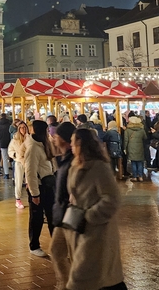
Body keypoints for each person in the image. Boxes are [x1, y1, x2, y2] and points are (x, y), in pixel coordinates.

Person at [65, 128, 127, 290]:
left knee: (84, 277)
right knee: (102, 278)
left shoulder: (99, 167)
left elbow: (112, 198)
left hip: (97, 232)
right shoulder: (75, 165)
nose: (71, 145)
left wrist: (90, 216)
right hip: (80, 228)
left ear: (81, 144)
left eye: (73, 142)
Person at [49, 122, 75, 289]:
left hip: (71, 214)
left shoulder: (73, 160)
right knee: (57, 251)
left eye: (56, 136)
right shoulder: (65, 157)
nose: (53, 138)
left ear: (64, 139)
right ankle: (65, 284)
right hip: (63, 213)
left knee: (66, 252)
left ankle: (69, 285)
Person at [24, 120, 56, 257]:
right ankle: (34, 245)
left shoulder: (44, 145)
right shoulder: (33, 148)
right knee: (36, 218)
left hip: (48, 185)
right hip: (38, 187)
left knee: (52, 216)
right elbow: (30, 173)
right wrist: (34, 194)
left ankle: (57, 246)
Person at [8, 119, 30, 209]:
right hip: (19, 162)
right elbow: (10, 150)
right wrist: (16, 155)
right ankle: (18, 199)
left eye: (24, 127)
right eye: (21, 128)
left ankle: (31, 197)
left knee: (30, 181)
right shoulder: (15, 139)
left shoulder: (30, 138)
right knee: (19, 180)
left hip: (29, 162)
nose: (23, 129)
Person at [123, 115, 146, 182]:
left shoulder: (127, 130)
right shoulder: (142, 130)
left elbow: (126, 140)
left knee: (133, 162)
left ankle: (135, 177)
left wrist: (125, 148)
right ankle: (141, 177)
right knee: (140, 162)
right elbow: (145, 138)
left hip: (131, 147)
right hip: (140, 147)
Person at [0, 113, 13, 179]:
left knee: (4, 158)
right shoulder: (9, 125)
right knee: (12, 157)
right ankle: (14, 173)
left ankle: (6, 174)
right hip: (11, 143)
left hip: (2, 144)